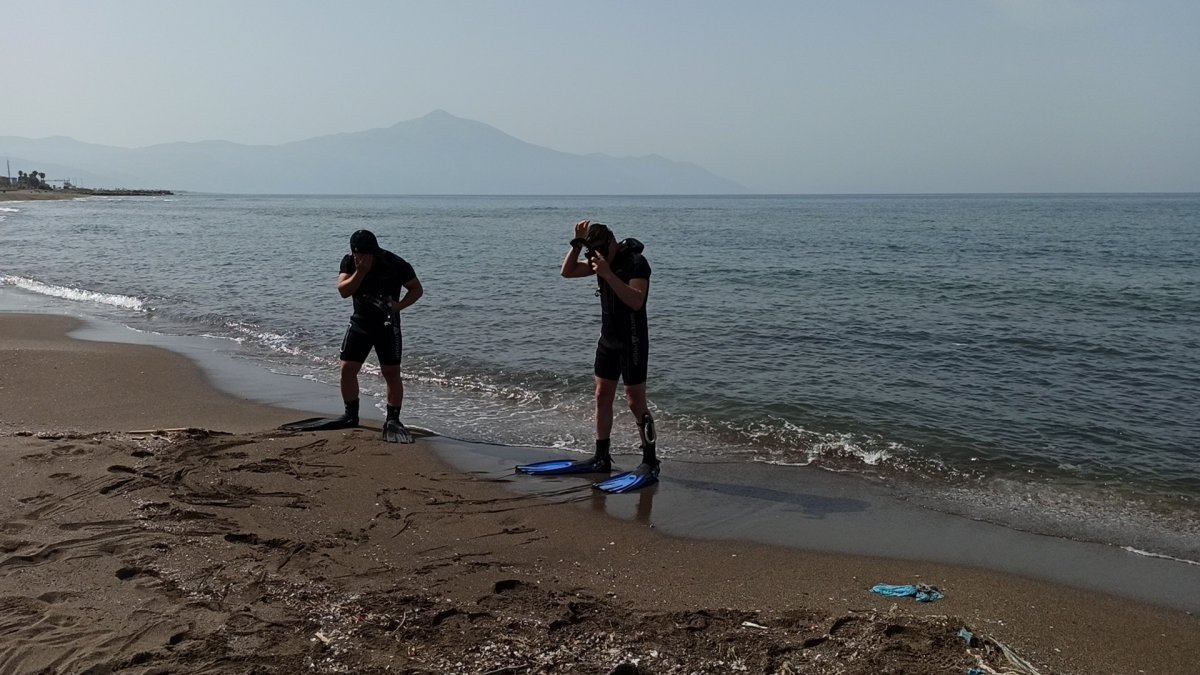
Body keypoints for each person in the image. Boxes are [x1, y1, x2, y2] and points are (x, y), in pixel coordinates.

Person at [516, 220, 659, 493]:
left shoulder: (637, 263)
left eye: (598, 253)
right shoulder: (599, 260)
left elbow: (636, 300)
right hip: (608, 339)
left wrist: (607, 273)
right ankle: (601, 456)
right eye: (591, 255)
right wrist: (576, 244)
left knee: (634, 401)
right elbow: (567, 272)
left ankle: (650, 461)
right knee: (601, 395)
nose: (595, 259)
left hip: (633, 340)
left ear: (612, 244)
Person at [279, 229, 423, 443]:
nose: (362, 258)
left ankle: (393, 419)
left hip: (387, 325)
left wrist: (398, 306)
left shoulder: (394, 263)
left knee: (391, 372)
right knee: (347, 369)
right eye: (358, 254)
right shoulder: (349, 263)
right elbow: (344, 291)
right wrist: (361, 272)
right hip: (360, 323)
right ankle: (350, 415)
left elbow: (416, 289)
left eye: (367, 254)